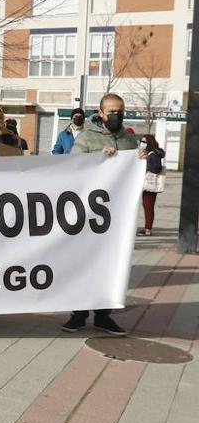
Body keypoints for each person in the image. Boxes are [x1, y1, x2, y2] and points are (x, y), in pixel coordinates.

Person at [62, 93, 146, 337]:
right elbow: (72, 167)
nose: (116, 115)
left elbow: (137, 171)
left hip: (116, 216)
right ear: (100, 113)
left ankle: (103, 315)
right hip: (89, 214)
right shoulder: (87, 137)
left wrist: (141, 160)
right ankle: (78, 314)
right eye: (111, 111)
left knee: (110, 264)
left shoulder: (130, 140)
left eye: (120, 110)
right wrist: (96, 159)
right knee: (83, 262)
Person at [140, 134, 165, 237]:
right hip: (149, 184)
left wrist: (146, 162)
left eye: (144, 142)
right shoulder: (153, 153)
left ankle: (148, 229)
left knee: (148, 207)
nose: (142, 144)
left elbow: (156, 168)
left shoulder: (153, 154)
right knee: (148, 206)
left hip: (150, 185)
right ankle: (147, 227)